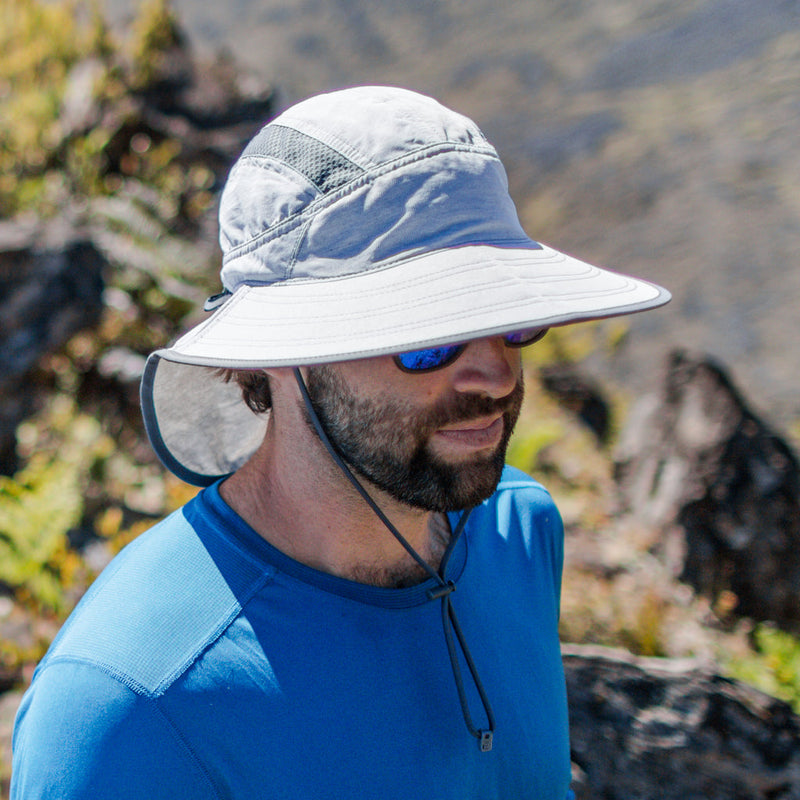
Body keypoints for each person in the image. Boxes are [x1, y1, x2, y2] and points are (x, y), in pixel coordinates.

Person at [11, 86, 669, 799]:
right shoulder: (132, 706)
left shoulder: (519, 530)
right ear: (286, 356)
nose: (498, 374)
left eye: (514, 322)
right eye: (432, 340)